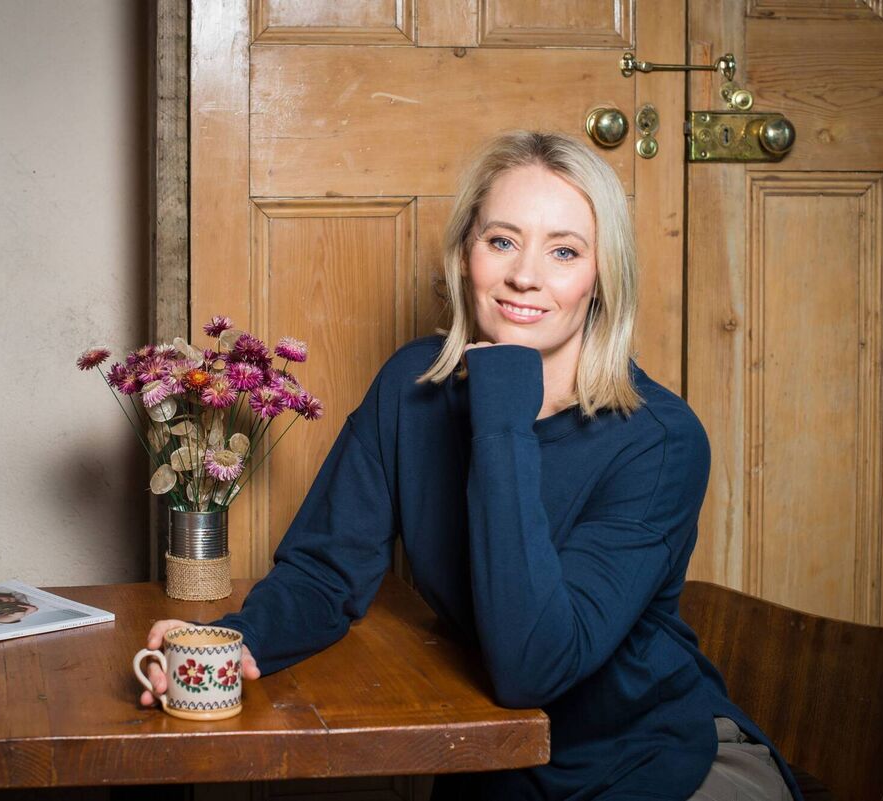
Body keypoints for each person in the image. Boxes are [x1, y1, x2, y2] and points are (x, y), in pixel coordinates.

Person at [139, 131, 801, 800]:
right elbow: (324, 570)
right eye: (503, 241)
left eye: (564, 251)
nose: (526, 276)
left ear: (602, 278)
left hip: (650, 763)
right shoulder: (412, 386)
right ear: (464, 255)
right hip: (497, 764)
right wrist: (235, 641)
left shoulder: (661, 441)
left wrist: (503, 404)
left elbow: (533, 666)